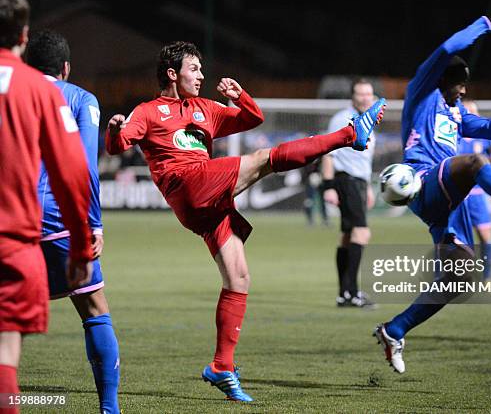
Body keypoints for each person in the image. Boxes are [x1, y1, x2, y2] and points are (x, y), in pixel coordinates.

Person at [105, 40, 386, 402]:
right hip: (188, 183)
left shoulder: (204, 108)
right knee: (263, 159)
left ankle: (222, 365)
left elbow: (253, 119)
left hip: (205, 203)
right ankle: (350, 134)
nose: (202, 75)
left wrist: (241, 96)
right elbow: (118, 145)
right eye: (194, 68)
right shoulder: (148, 111)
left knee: (238, 278)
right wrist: (114, 129)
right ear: (173, 74)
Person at [372, 11, 491, 374]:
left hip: (446, 202)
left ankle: (395, 329)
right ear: (442, 79)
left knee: (458, 280)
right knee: (476, 164)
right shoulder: (422, 93)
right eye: (459, 84)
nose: (463, 90)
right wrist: (487, 24)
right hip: (424, 181)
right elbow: (450, 46)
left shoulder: (457, 112)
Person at [0, 0, 93, 412]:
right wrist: (81, 244)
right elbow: (73, 172)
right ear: (22, 36)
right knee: (6, 359)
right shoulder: (42, 91)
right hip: (13, 244)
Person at [27, 30, 120, 413]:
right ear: (66, 67)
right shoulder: (81, 98)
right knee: (94, 308)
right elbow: (85, 167)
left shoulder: (12, 94)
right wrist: (93, 223)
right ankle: (109, 408)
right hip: (60, 221)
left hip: (10, 219)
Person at [322, 78, 377, 308]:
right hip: (347, 181)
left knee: (347, 237)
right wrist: (329, 186)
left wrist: (369, 186)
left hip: (359, 182)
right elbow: (327, 152)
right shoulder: (342, 119)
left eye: (368, 94)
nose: (365, 98)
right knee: (361, 233)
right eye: (360, 94)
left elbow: (363, 158)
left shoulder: (370, 119)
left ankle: (344, 294)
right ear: (352, 97)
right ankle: (353, 293)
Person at [457, 99, 491, 281]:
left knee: (486, 236)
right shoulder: (453, 135)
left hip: (477, 196)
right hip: (457, 195)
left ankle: (486, 277)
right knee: (456, 240)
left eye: (474, 112)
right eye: (467, 112)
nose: (471, 116)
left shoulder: (485, 137)